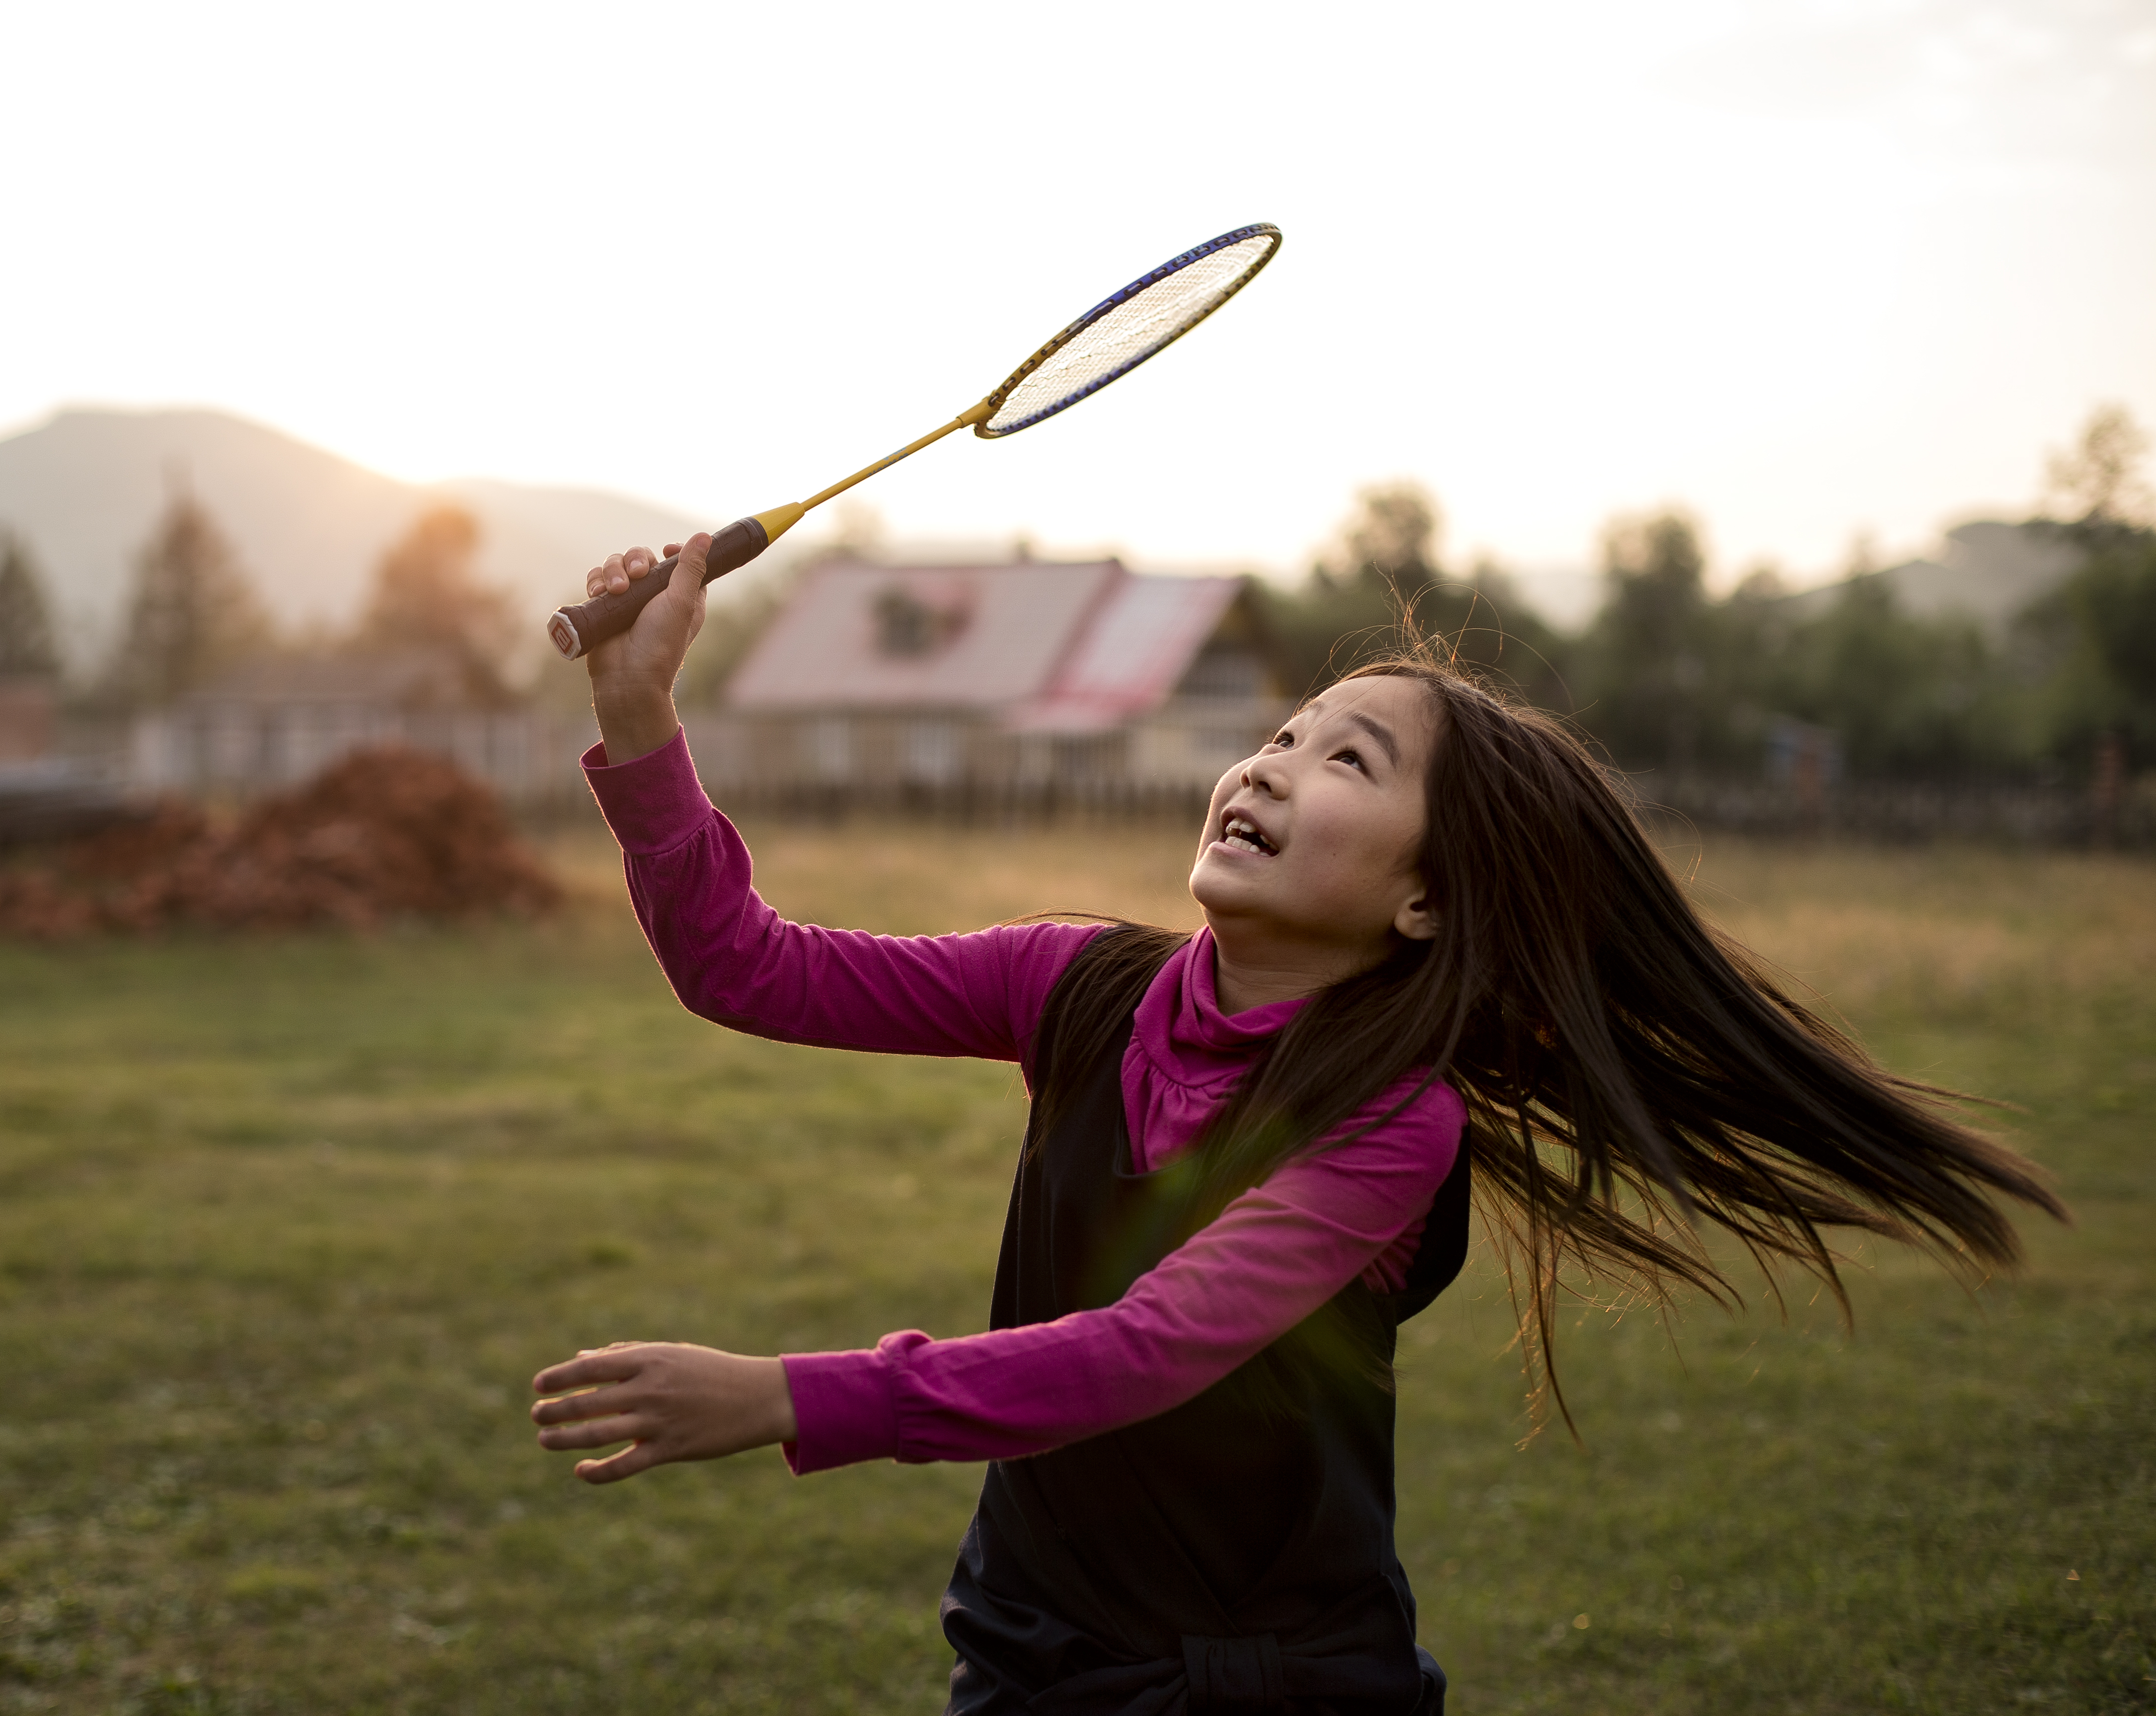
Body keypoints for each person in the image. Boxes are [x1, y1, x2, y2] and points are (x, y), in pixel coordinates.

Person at [529, 535, 2063, 1715]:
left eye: (1350, 760)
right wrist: (642, 719)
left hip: (1275, 1682)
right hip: (1028, 1657)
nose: (1270, 764)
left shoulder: (1393, 1130)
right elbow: (746, 967)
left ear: (1425, 896)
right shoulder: (1072, 983)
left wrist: (800, 1396)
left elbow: (1143, 1350)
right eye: (1283, 731)